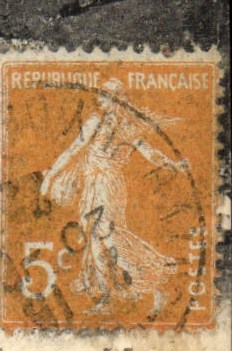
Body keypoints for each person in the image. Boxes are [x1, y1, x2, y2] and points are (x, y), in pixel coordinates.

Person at [40, 80, 189, 315]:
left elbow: (149, 152)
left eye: (106, 95)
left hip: (106, 186)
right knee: (97, 243)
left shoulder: (123, 126)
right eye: (100, 94)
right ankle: (107, 298)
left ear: (117, 98)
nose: (100, 99)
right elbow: (73, 150)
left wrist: (172, 165)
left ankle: (155, 279)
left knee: (107, 237)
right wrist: (51, 177)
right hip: (94, 185)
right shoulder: (101, 122)